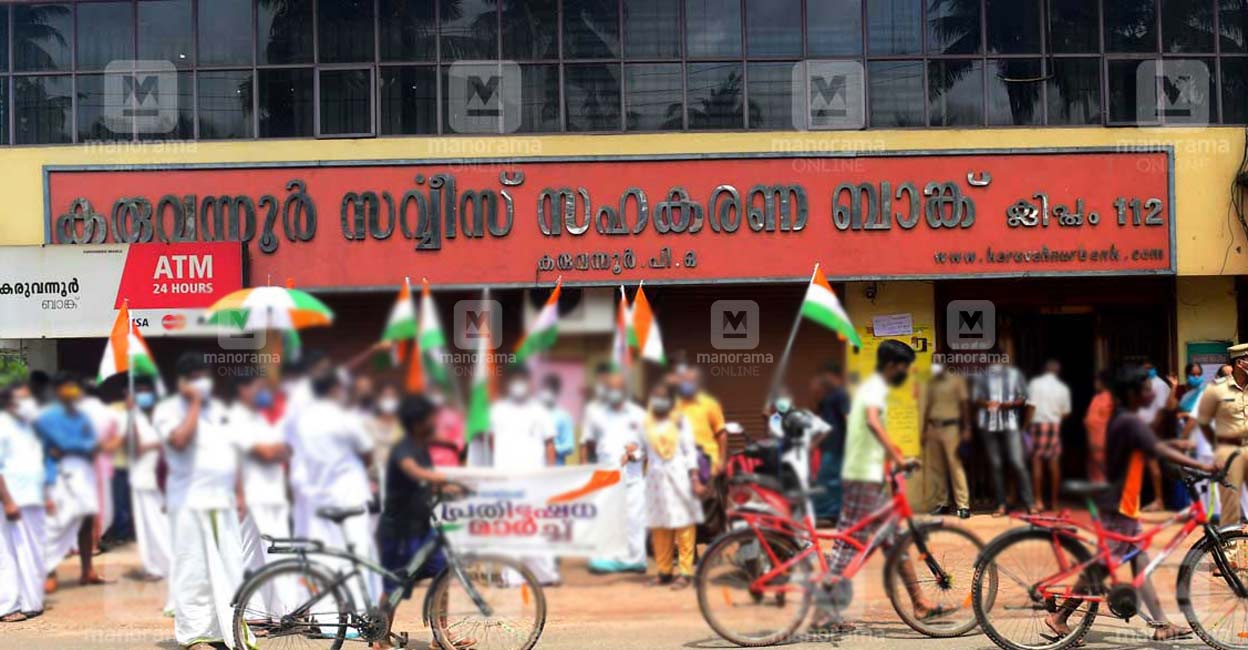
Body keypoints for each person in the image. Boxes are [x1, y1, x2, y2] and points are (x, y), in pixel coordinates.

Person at [1045, 364, 1210, 643]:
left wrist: (1181, 453)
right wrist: (1202, 464)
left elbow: (1153, 447)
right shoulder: (1128, 421)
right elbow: (1156, 449)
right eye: (1146, 388)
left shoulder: (1124, 418)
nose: (1151, 392)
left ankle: (1161, 623)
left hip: (1123, 501)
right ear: (1133, 393)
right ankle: (1060, 616)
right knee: (1103, 564)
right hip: (1116, 503)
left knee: (1139, 559)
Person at [811, 340, 938, 632]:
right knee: (848, 544)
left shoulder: (871, 388)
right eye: (904, 367)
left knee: (893, 538)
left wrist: (890, 464)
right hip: (861, 476)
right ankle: (823, 611)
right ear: (893, 365)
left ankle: (919, 602)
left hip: (868, 474)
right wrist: (897, 457)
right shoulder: (874, 388)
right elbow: (871, 422)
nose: (905, 373)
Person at [153, 353, 246, 650]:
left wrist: (241, 491)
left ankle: (226, 629)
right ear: (181, 382)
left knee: (229, 565)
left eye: (203, 377)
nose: (201, 384)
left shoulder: (219, 409)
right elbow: (179, 440)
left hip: (223, 500)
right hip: (188, 502)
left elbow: (234, 452)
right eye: (194, 378)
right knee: (193, 568)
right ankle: (194, 633)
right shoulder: (167, 410)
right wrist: (193, 403)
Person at [376, 394, 461, 648]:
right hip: (399, 531)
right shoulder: (403, 448)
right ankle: (379, 639)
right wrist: (442, 479)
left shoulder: (421, 447)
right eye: (428, 418)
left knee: (443, 572)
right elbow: (413, 471)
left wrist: (447, 491)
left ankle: (441, 636)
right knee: (394, 586)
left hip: (421, 527)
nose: (432, 422)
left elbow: (422, 484)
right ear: (416, 422)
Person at [293, 369, 382, 607]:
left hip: (318, 497)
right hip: (349, 495)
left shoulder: (303, 421)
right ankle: (359, 616)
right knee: (357, 555)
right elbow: (367, 452)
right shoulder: (344, 418)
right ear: (334, 389)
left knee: (324, 558)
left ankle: (329, 621)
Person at [488, 366, 560, 585]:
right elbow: (491, 442)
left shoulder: (540, 411)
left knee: (535, 526)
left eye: (522, 380)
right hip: (506, 479)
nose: (518, 385)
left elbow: (550, 444)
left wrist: (549, 474)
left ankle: (543, 575)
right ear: (508, 384)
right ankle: (512, 576)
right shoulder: (497, 410)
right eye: (515, 380)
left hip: (535, 479)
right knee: (509, 527)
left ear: (529, 383)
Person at [35, 371, 106, 591]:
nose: (72, 391)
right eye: (67, 386)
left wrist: (79, 446)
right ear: (57, 391)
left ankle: (87, 569)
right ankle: (48, 571)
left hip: (83, 472)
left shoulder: (82, 415)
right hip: (58, 474)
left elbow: (93, 442)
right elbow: (61, 442)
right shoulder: (46, 416)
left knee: (86, 520)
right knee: (56, 523)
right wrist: (81, 446)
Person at [230, 373, 293, 613]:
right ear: (242, 389)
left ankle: (258, 611)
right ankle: (283, 612)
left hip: (270, 493)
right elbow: (267, 453)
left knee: (256, 554)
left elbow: (285, 450)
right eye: (258, 387)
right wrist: (275, 450)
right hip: (256, 495)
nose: (263, 392)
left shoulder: (258, 418)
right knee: (273, 552)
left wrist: (275, 450)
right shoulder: (237, 418)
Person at [640, 384, 703, 588]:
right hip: (655, 480)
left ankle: (685, 572)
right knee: (660, 526)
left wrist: (694, 477)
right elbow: (642, 451)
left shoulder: (680, 420)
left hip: (678, 476)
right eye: (655, 396)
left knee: (683, 523)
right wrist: (631, 454)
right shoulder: (646, 423)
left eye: (662, 397)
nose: (658, 401)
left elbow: (690, 451)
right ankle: (664, 571)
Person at [584, 373, 647, 575]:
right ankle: (605, 560)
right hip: (605, 476)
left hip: (633, 477)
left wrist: (634, 454)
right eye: (610, 388)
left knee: (634, 521)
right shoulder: (595, 414)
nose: (614, 392)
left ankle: (635, 561)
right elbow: (587, 444)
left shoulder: (639, 415)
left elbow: (647, 448)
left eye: (618, 388)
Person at [0, 381, 49, 622]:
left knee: (33, 552)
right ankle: (7, 606)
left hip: (32, 498)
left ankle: (30, 602)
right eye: (22, 399)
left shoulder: (28, 426)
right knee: (9, 554)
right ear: (10, 402)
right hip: (12, 500)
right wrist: (8, 501)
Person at [122, 376, 171, 584]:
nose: (143, 396)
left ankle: (170, 564)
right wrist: (130, 413)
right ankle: (155, 567)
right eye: (138, 391)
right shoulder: (133, 417)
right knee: (146, 527)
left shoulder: (165, 414)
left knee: (163, 525)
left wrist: (155, 445)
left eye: (145, 390)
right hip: (141, 477)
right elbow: (132, 447)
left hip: (164, 477)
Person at [972, 361, 1035, 516]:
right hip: (989, 425)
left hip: (1010, 423)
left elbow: (1024, 397)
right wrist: (987, 403)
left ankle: (1030, 503)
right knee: (996, 465)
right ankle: (1001, 504)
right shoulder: (982, 376)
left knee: (1017, 462)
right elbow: (976, 398)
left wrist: (1012, 404)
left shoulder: (1015, 374)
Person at [674, 365, 728, 539]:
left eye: (690, 381)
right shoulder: (674, 405)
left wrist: (721, 460)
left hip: (707, 463)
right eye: (684, 381)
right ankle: (691, 554)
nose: (686, 384)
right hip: (683, 465)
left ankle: (715, 547)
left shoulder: (710, 404)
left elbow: (721, 433)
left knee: (710, 510)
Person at [1198, 344, 1248, 526]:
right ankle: (1230, 553)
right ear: (1240, 363)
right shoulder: (1216, 389)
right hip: (1229, 449)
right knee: (1231, 505)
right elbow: (1203, 422)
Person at [767, 388, 831, 515]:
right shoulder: (775, 419)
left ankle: (805, 529)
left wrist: (812, 445)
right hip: (784, 464)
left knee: (804, 497)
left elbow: (825, 429)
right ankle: (795, 528)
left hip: (800, 463)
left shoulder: (804, 414)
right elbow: (774, 438)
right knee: (790, 498)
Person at [920, 363, 972, 518]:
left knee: (955, 465)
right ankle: (942, 503)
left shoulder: (957, 380)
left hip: (951, 427)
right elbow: (928, 406)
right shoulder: (930, 382)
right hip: (933, 427)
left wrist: (967, 428)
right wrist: (923, 430)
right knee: (937, 468)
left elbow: (965, 404)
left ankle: (963, 506)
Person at [1026, 360, 1072, 511]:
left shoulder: (1035, 383)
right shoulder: (1063, 388)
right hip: (1054, 424)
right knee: (1054, 464)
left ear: (1044, 369)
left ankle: (1038, 501)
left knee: (1037, 462)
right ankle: (1055, 502)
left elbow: (1031, 406)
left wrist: (1025, 425)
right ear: (1058, 371)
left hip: (1038, 423)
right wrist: (1055, 417)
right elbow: (1065, 412)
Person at [811, 363, 851, 524]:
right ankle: (829, 513)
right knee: (828, 479)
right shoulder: (828, 397)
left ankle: (828, 514)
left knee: (828, 479)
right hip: (829, 447)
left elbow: (847, 417)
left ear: (834, 376)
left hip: (837, 447)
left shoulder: (841, 394)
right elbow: (823, 422)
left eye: (825, 376)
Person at [1137, 361, 1173, 513]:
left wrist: (1152, 431)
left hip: (1150, 430)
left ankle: (1159, 500)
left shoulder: (1159, 385)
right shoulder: (1145, 383)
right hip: (1141, 428)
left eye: (1149, 368)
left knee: (1153, 466)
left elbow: (1162, 410)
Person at [1083, 371, 1114, 483]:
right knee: (1093, 467)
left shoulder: (1110, 398)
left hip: (1103, 440)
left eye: (1097, 380)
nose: (1095, 383)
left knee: (1102, 467)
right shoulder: (1096, 397)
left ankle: (1104, 497)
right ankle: (1094, 497)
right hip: (1093, 440)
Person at [540, 375, 576, 465]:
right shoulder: (534, 413)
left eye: (551, 390)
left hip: (556, 469)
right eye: (545, 389)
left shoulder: (563, 416)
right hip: (535, 468)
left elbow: (569, 447)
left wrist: (550, 449)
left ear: (557, 392)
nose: (547, 393)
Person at [427, 387, 465, 468]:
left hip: (449, 462)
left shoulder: (452, 416)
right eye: (432, 393)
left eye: (437, 393)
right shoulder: (423, 416)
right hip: (427, 463)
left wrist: (444, 440)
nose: (435, 396)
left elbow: (461, 441)